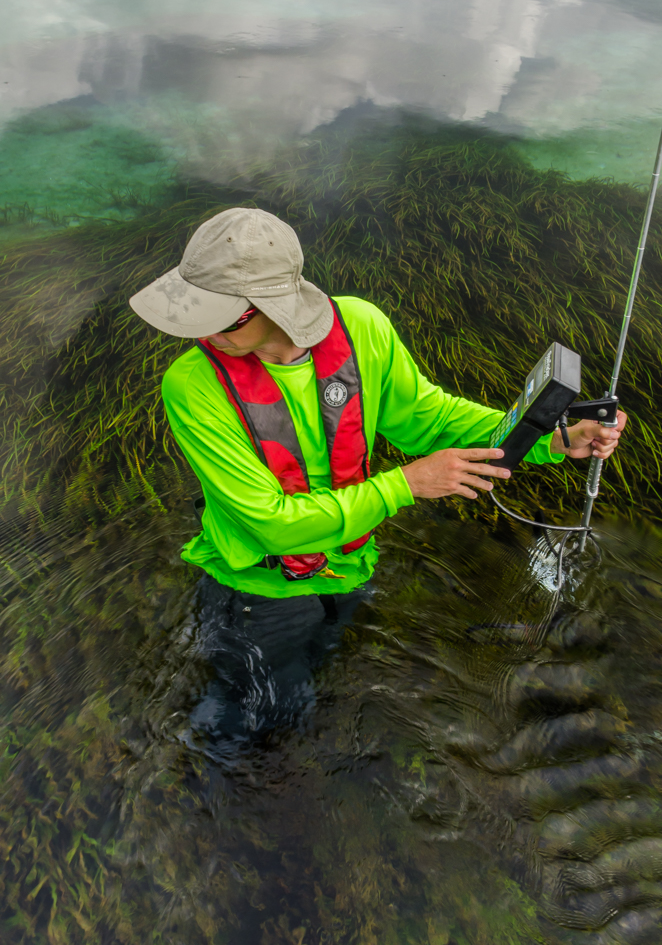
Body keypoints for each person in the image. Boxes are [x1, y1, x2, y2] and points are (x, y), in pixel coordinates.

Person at [129, 207, 626, 745]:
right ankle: (219, 769)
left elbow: (430, 419)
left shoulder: (362, 326)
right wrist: (405, 484)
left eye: (220, 317)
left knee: (322, 666)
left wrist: (552, 440)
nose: (201, 332)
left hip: (350, 564)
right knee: (254, 707)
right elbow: (271, 526)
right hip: (257, 586)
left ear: (271, 306)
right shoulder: (192, 385)